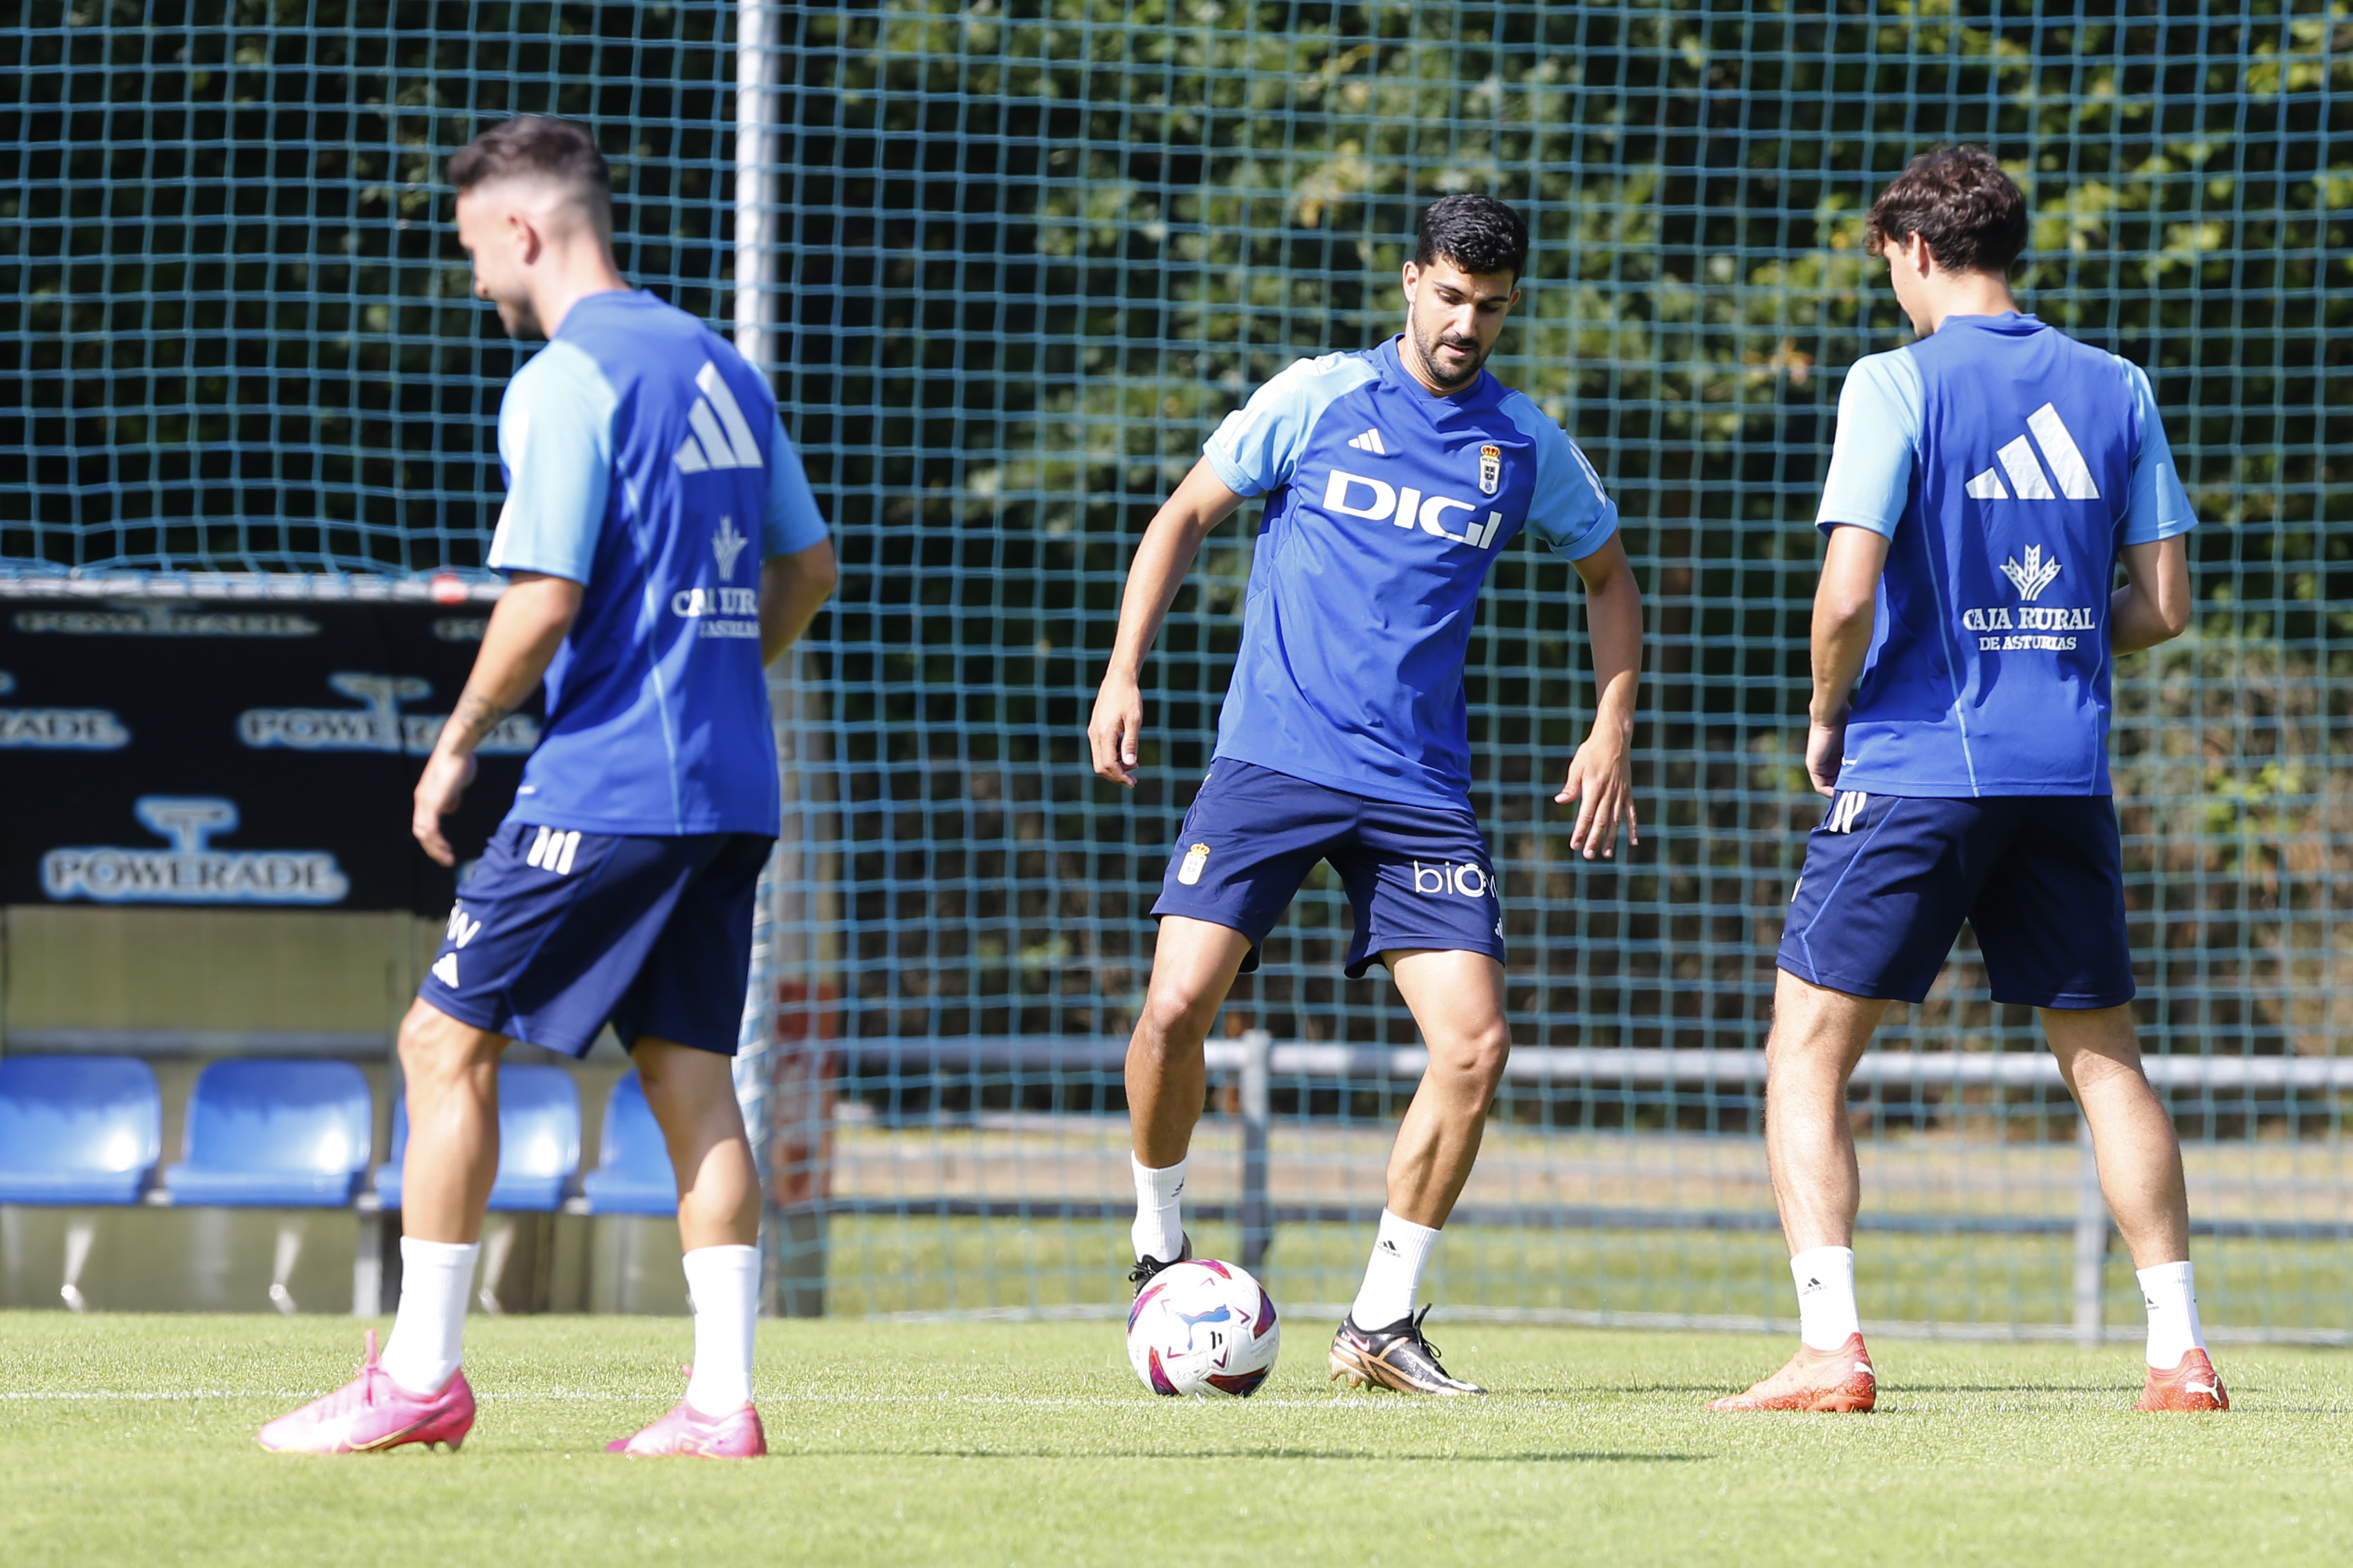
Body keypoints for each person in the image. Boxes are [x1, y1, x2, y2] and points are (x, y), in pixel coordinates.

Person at [258, 115, 839, 1457]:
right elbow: (810, 571)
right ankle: (721, 1404)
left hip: (611, 781)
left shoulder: (565, 379)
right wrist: (709, 669)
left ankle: (420, 1378)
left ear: (523, 228)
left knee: (439, 1042)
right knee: (691, 1075)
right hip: (733, 788)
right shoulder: (720, 364)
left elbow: (542, 599)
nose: (473, 277)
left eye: (474, 245)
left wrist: (457, 739)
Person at [1088, 195, 1644, 1396]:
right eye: (1448, 297)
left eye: (1490, 307)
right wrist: (1123, 671)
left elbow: (1608, 576)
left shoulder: (1524, 445)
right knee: (1174, 1008)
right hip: (1271, 759)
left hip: (1415, 791)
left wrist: (1610, 727)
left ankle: (1381, 1320)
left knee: (1475, 1046)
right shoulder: (1317, 397)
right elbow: (1183, 516)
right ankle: (1159, 1246)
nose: (1465, 325)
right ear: (1408, 282)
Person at [1711, 147, 2217, 1414]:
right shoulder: (2116, 384)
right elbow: (2163, 606)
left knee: (1805, 1052)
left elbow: (1843, 596)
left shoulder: (1892, 381)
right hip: (2065, 775)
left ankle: (1830, 1348)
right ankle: (2178, 1354)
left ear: (1918, 250)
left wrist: (1825, 712)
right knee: (2103, 1061)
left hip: (1917, 764)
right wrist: (2047, 638)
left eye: (1888, 259)